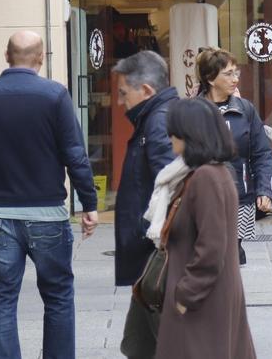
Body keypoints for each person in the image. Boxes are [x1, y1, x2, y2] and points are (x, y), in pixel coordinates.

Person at [0, 31, 99, 359]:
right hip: (48, 215)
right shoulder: (55, 96)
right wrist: (88, 203)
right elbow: (75, 155)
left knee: (2, 302)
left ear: (6, 56)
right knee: (58, 298)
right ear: (41, 58)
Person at [147, 98, 255, 359]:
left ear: (190, 134)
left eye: (174, 131)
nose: (170, 137)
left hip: (202, 301)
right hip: (210, 296)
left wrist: (185, 295)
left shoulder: (205, 177)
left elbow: (211, 248)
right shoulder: (214, 173)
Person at [111, 51, 179, 353]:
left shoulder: (158, 121)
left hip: (153, 257)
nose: (119, 101)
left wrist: (157, 242)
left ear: (147, 90)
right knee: (138, 346)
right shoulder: (155, 118)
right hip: (150, 256)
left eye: (124, 93)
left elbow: (173, 187)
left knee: (160, 345)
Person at [197, 48, 272, 264]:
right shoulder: (193, 111)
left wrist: (264, 190)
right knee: (207, 255)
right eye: (228, 74)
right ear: (210, 78)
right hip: (202, 198)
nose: (235, 79)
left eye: (236, 72)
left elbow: (262, 154)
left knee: (232, 254)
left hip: (240, 196)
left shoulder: (245, 110)